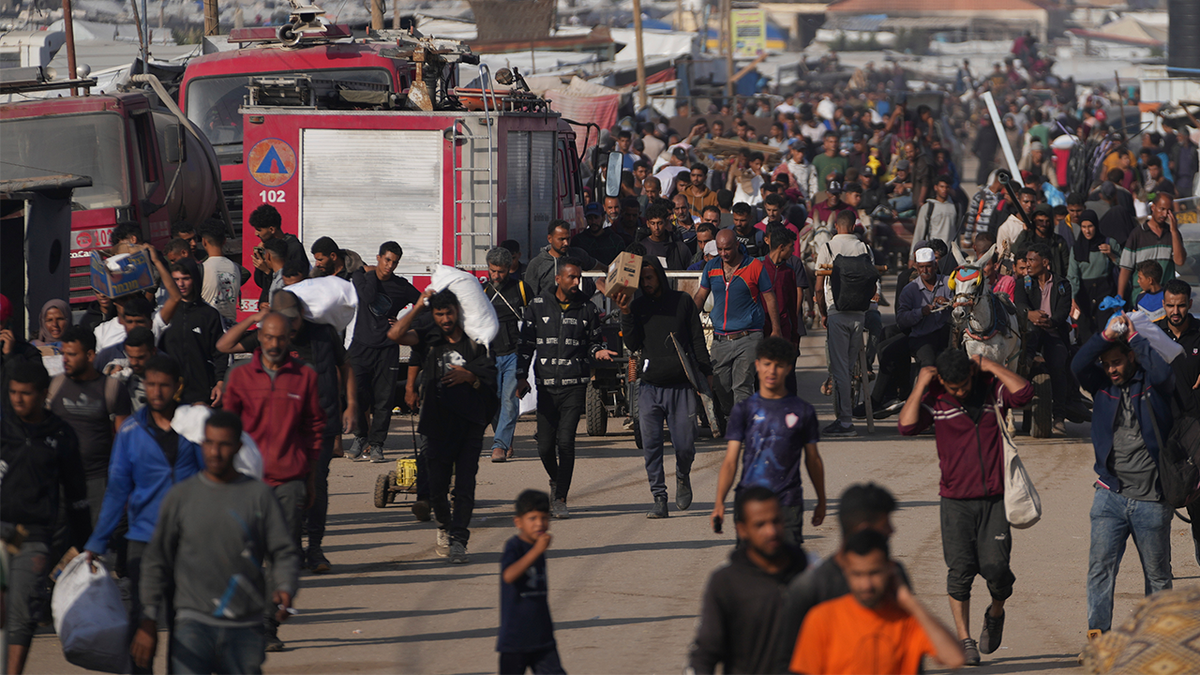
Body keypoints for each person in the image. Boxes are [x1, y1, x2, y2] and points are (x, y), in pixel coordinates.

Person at [133, 411, 300, 675]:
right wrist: (148, 618)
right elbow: (157, 560)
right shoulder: (181, 497)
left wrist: (285, 585)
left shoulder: (259, 496)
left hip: (245, 625)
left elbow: (284, 551)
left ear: (239, 447)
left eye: (224, 444)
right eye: (209, 443)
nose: (215, 452)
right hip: (192, 621)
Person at [897, 348, 1032, 665]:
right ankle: (965, 639)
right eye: (953, 387)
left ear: (971, 374)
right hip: (955, 502)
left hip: (994, 499)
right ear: (942, 380)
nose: (960, 392)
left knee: (997, 570)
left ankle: (996, 611)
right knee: (960, 572)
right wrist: (920, 384)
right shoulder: (937, 400)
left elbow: (1024, 392)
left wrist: (992, 366)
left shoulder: (989, 391)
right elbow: (905, 425)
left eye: (963, 385)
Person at [218, 291, 355, 574]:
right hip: (277, 432)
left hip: (320, 421)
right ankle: (283, 551)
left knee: (316, 484)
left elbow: (345, 366)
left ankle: (314, 548)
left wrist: (350, 404)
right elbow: (224, 345)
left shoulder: (323, 334)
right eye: (283, 322)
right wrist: (255, 320)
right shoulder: (269, 334)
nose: (288, 329)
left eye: (293, 320)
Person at [83, 356, 202, 673]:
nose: (157, 391)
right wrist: (97, 541)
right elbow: (117, 490)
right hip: (143, 542)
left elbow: (216, 481)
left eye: (164, 385)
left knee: (187, 623)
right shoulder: (131, 431)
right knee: (142, 623)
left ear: (178, 386)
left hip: (189, 543)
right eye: (151, 384)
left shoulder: (196, 427)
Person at [1069, 314, 1178, 643]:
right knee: (1100, 570)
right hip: (1109, 496)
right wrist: (1104, 336)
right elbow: (1077, 366)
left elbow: (1164, 373)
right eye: (1107, 364)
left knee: (1157, 577)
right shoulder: (1102, 385)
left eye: (1117, 363)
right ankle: (1098, 638)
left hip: (1152, 500)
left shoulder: (1151, 385)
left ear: (1130, 357)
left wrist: (1134, 338)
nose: (1112, 370)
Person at [222, 312, 324, 651]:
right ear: (259, 338)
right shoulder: (238, 377)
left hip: (290, 479)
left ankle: (267, 626)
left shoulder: (304, 377)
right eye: (269, 337)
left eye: (281, 338)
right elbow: (225, 430)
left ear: (288, 339)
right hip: (248, 483)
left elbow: (313, 428)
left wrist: (309, 479)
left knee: (282, 551)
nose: (275, 344)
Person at [389, 289, 498, 564]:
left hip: (469, 425)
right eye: (439, 314)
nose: (445, 319)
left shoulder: (476, 341)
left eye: (449, 312)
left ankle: (459, 539)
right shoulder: (429, 338)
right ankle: (444, 526)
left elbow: (489, 379)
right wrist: (417, 307)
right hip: (437, 424)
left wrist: (469, 376)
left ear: (458, 311)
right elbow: (395, 335)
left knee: (464, 486)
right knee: (436, 487)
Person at [1, 360, 91, 675]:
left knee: (23, 609)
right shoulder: (3, 427)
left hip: (34, 534)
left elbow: (77, 495)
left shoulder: (61, 435)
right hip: (1, 533)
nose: (17, 400)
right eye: (13, 393)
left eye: (25, 394)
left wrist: (84, 545)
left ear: (42, 395)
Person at [516, 259, 616, 519]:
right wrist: (520, 377)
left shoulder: (588, 308)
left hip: (575, 385)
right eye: (571, 277)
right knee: (545, 447)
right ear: (558, 279)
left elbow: (594, 341)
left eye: (579, 277)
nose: (576, 282)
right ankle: (556, 479)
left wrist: (599, 351)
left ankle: (560, 498)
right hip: (546, 386)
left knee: (565, 442)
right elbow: (525, 346)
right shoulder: (537, 306)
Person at [790, 529, 966, 675]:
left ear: (890, 570)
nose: (866, 585)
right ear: (846, 572)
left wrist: (909, 601)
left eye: (874, 573)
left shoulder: (907, 620)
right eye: (857, 575)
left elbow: (955, 658)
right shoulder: (822, 618)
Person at [617, 256, 711, 518]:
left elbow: (696, 339)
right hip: (649, 387)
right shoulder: (636, 307)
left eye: (650, 277)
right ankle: (659, 496)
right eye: (642, 279)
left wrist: (706, 372)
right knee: (651, 445)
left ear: (659, 275)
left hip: (681, 387)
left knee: (685, 445)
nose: (646, 284)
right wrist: (625, 314)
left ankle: (683, 474)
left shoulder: (682, 302)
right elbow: (634, 343)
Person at [712, 337, 825, 546]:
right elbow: (730, 461)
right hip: (749, 503)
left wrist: (822, 500)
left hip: (788, 503)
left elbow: (813, 459)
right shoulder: (743, 410)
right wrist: (719, 501)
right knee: (750, 570)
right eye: (766, 364)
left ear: (789, 368)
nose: (772, 371)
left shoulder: (803, 411)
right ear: (757, 365)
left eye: (779, 365)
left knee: (788, 568)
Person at [688, 486, 808, 674]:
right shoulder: (726, 583)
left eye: (776, 521)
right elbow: (705, 654)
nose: (771, 531)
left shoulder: (809, 572)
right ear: (742, 530)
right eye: (760, 525)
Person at [782, 483, 905, 649]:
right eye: (885, 524)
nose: (892, 530)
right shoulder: (812, 588)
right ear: (864, 529)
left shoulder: (894, 575)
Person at [693, 229, 782, 431]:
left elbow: (769, 298)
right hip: (720, 339)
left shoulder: (754, 266)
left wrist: (776, 329)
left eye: (727, 249)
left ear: (737, 246)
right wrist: (686, 317)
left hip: (748, 336)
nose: (724, 254)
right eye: (720, 249)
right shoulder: (712, 268)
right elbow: (701, 296)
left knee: (742, 386)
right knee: (721, 386)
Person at [49, 325, 132, 525]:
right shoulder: (54, 386)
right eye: (63, 354)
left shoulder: (112, 388)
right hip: (60, 482)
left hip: (97, 482)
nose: (64, 360)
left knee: (97, 546)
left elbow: (125, 440)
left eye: (71, 354)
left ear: (90, 355)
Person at [348, 241, 419, 463]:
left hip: (387, 349)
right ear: (378, 257)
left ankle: (377, 444)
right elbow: (368, 297)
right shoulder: (360, 277)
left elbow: (424, 305)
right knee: (357, 395)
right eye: (387, 260)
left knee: (384, 400)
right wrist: (368, 273)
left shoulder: (401, 286)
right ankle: (360, 437)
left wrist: (404, 324)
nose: (390, 266)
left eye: (395, 262)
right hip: (360, 347)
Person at [1014, 244, 1091, 424]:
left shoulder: (1062, 284)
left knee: (1058, 364)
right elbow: (1019, 305)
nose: (1028, 264)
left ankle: (1058, 416)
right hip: (1030, 333)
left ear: (1045, 262)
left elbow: (1063, 312)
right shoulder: (1022, 284)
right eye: (1027, 261)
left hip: (1053, 333)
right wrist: (1030, 314)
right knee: (1027, 348)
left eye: (1032, 260)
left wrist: (1051, 321)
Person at [817, 210, 875, 437]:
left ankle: (845, 422)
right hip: (859, 315)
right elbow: (873, 284)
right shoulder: (865, 249)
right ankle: (846, 417)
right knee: (849, 368)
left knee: (840, 370)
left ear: (837, 227)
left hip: (836, 314)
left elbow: (818, 288)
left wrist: (823, 312)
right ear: (853, 227)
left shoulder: (828, 248)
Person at [1157, 279, 1200, 564]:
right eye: (1170, 305)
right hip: (1162, 428)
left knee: (1198, 500)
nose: (1176, 311)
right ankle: (1162, 566)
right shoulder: (1152, 334)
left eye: (1181, 305)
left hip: (1196, 428)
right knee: (1159, 501)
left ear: (1190, 305)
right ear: (1163, 304)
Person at [497, 490, 564, 675]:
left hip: (542, 636)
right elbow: (508, 575)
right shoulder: (515, 546)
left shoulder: (539, 546)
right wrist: (536, 551)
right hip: (515, 638)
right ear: (518, 522)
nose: (539, 524)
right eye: (532, 518)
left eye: (544, 518)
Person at [158, 257, 228, 406]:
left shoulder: (209, 314)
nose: (181, 284)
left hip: (202, 394)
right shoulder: (163, 315)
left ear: (195, 279)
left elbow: (221, 352)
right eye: (176, 279)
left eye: (186, 278)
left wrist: (220, 383)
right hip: (170, 394)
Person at [483, 247, 531, 463]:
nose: (496, 276)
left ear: (509, 269)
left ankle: (499, 445)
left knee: (510, 401)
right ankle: (505, 438)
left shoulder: (521, 288)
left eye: (500, 271)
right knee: (492, 402)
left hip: (514, 353)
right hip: (490, 355)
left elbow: (534, 318)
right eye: (493, 271)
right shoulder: (483, 292)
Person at [1118, 193, 1186, 301]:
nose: (1164, 214)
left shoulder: (1172, 235)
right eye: (1162, 209)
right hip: (1141, 297)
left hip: (1165, 297)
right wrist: (1120, 296)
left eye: (1168, 211)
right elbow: (1126, 268)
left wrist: (1174, 231)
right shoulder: (1137, 234)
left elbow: (1180, 261)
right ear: (1153, 207)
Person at [1068, 210, 1122, 342]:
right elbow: (1072, 275)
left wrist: (1111, 255)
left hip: (1105, 292)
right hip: (1084, 295)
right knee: (1086, 332)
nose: (1087, 231)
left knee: (1107, 331)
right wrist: (1072, 299)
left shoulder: (1109, 243)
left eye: (1090, 226)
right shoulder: (1076, 249)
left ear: (1096, 226)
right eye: (1084, 227)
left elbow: (1125, 266)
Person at [525, 220, 605, 298]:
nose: (566, 243)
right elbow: (530, 297)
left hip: (575, 309)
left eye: (568, 239)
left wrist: (604, 277)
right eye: (561, 239)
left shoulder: (578, 255)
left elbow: (601, 267)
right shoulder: (536, 265)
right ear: (550, 238)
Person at [248, 204, 307, 309]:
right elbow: (261, 283)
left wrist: (268, 271)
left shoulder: (294, 248)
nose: (256, 233)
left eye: (259, 230)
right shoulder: (266, 246)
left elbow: (295, 283)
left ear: (271, 229)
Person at [198, 224, 242, 324]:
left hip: (209, 325)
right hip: (230, 328)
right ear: (224, 241)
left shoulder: (202, 268)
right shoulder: (236, 267)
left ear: (204, 241)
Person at [1013, 204, 1070, 278]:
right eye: (1040, 221)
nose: (1044, 224)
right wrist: (1024, 232)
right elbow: (1015, 250)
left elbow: (1066, 266)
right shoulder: (1028, 238)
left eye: (1047, 221)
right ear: (1034, 220)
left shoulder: (1058, 241)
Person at [642, 204, 692, 270]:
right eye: (653, 223)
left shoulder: (680, 248)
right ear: (648, 224)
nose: (656, 228)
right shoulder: (642, 247)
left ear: (665, 222)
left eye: (660, 223)